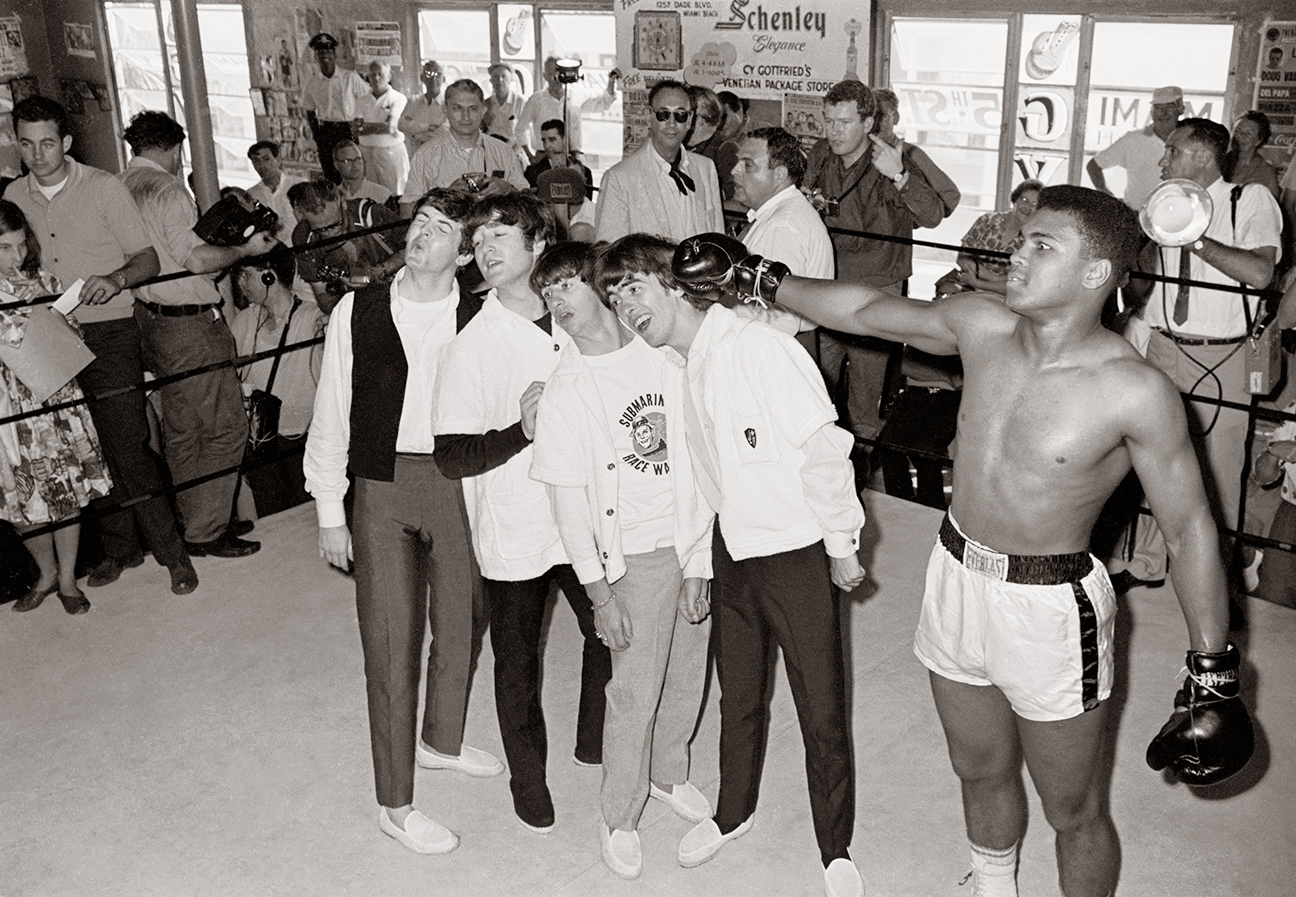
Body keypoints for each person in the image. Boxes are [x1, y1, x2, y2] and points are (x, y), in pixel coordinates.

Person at [674, 183, 1255, 897]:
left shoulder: (1134, 390)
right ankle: (993, 883)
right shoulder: (981, 324)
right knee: (977, 769)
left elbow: (1191, 528)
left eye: (1042, 245)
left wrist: (1213, 669)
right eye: (1022, 239)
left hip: (1050, 607)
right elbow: (864, 310)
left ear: (1096, 273)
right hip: (955, 576)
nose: (1017, 255)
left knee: (1072, 809)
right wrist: (758, 276)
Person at [619, 233, 867, 897]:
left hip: (796, 552)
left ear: (676, 285)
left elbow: (824, 446)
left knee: (821, 709)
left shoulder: (761, 348)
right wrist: (699, 561)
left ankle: (835, 847)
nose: (625, 307)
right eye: (615, 298)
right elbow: (706, 477)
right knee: (740, 696)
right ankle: (734, 812)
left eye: (634, 287)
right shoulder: (683, 367)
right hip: (734, 552)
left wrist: (841, 541)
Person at [303, 187, 504, 856]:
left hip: (458, 481)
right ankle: (395, 803)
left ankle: (441, 740)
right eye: (420, 221)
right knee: (391, 645)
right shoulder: (357, 311)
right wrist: (329, 510)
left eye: (441, 228)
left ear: (466, 253)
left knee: (464, 619)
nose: (421, 234)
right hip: (382, 485)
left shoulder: (483, 315)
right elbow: (331, 411)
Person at [528, 241, 714, 880]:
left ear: (600, 288)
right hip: (630, 558)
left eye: (566, 284)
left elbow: (700, 458)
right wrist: (600, 595)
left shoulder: (664, 357)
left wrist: (700, 558)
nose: (556, 301)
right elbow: (567, 506)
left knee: (687, 670)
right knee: (634, 691)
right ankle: (619, 815)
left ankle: (668, 772)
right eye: (547, 292)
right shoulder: (565, 392)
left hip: (687, 538)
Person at [430, 194, 611, 835]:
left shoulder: (582, 313)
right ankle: (527, 780)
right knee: (516, 661)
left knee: (610, 631)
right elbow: (451, 456)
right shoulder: (472, 343)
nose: (485, 249)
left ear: (539, 243)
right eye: (477, 241)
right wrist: (521, 430)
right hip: (517, 523)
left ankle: (594, 739)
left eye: (499, 235)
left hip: (587, 513)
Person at [4, 97, 196, 595]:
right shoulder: (13, 194)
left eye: (48, 143)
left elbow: (148, 260)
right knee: (85, 450)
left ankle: (173, 555)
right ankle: (120, 549)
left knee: (127, 445)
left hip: (108, 331)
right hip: (47, 339)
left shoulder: (105, 187)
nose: (37, 154)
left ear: (66, 141)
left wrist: (115, 279)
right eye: (26, 143)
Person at [1108, 118, 1282, 596]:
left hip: (1220, 355)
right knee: (1149, 458)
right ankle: (1146, 562)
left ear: (1204, 156)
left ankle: (1216, 579)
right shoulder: (1166, 202)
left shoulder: (1247, 199)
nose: (1162, 160)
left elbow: (1261, 273)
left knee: (1218, 471)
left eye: (1172, 150)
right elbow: (1145, 281)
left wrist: (1193, 237)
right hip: (1163, 346)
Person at [119, 111, 274, 560]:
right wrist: (244, 248)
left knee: (183, 430)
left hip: (150, 319)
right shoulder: (167, 190)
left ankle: (198, 518)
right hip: (188, 323)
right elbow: (197, 260)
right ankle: (207, 529)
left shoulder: (120, 185)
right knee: (226, 427)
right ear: (174, 148)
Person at [802, 80, 945, 444]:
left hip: (875, 289)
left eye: (844, 122)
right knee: (815, 393)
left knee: (864, 405)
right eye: (829, 121)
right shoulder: (821, 155)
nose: (834, 131)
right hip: (828, 284)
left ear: (867, 123)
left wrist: (899, 176)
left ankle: (864, 469)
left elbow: (932, 216)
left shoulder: (889, 160)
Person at [1, 201, 111, 615]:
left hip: (54, 398)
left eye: (20, 246)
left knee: (65, 490)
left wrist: (49, 312)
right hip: (8, 406)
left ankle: (66, 579)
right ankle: (45, 573)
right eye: (4, 248)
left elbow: (74, 337)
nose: (16, 257)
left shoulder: (42, 279)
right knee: (18, 500)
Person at [228, 249, 323, 516]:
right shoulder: (245, 320)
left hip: (303, 439)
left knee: (307, 518)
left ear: (268, 276)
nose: (241, 285)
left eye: (246, 276)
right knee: (271, 518)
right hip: (261, 441)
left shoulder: (312, 317)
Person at [595, 80, 724, 244]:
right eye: (663, 114)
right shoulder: (619, 178)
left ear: (690, 120)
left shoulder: (706, 168)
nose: (671, 124)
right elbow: (608, 251)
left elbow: (718, 242)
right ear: (650, 116)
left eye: (680, 115)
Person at [400, 79, 528, 216]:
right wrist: (445, 198)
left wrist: (508, 190)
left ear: (483, 111)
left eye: (473, 109)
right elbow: (406, 211)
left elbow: (529, 201)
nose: (465, 116)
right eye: (457, 108)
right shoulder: (425, 155)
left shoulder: (503, 152)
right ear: (445, 111)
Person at [288, 179, 406, 314]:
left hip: (401, 294)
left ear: (343, 202)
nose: (330, 234)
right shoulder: (305, 238)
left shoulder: (369, 214)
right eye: (320, 230)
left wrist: (381, 269)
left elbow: (413, 247)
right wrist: (342, 288)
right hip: (359, 310)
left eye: (334, 225)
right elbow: (324, 299)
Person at [1086, 85, 1183, 210]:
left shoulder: (1191, 141)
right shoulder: (1132, 140)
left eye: (1169, 107)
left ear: (1180, 109)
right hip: (1136, 216)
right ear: (1151, 112)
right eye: (1158, 107)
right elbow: (1093, 166)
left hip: (1179, 217)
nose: (1163, 113)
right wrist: (1108, 196)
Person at [873, 88, 961, 219]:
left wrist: (910, 218)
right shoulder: (854, 152)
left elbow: (950, 195)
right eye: (872, 116)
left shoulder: (911, 154)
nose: (876, 123)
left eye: (883, 116)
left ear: (895, 118)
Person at [515, 57, 619, 159]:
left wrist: (611, 82)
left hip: (572, 157)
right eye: (551, 74)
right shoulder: (536, 100)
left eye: (558, 73)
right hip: (544, 157)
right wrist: (529, 156)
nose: (555, 78)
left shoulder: (576, 97)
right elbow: (520, 129)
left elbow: (603, 103)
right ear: (545, 76)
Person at [952, 179, 1043, 295]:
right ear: (1015, 199)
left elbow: (1020, 283)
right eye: (1024, 200)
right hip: (965, 285)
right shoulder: (986, 221)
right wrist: (998, 279)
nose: (1027, 207)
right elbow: (962, 258)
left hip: (1000, 296)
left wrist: (979, 283)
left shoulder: (1035, 240)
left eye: (1034, 204)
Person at [300, 33, 369, 184]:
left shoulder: (350, 77)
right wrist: (317, 135)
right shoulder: (312, 82)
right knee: (331, 176)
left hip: (348, 130)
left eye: (328, 51)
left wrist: (360, 125)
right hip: (326, 132)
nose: (324, 55)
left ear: (334, 55)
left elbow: (368, 100)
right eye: (320, 52)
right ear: (316, 56)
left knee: (353, 173)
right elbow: (309, 110)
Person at [1251, 396, 1296, 608]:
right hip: (1291, 510)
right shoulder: (1294, 409)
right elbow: (1262, 476)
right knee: (1274, 595)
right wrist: (1273, 452)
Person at [354, 61, 410, 196]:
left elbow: (389, 127)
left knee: (395, 194)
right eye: (372, 75)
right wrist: (381, 126)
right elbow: (355, 129)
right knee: (371, 195)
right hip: (366, 154)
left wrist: (365, 128)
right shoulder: (361, 100)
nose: (376, 78)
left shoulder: (398, 98)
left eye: (380, 74)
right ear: (368, 77)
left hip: (391, 153)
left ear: (389, 76)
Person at [246, 141, 303, 245]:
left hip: (300, 247)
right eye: (256, 161)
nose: (262, 165)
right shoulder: (251, 195)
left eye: (266, 159)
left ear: (277, 160)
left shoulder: (298, 185)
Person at [1222, 111, 1281, 200]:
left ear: (1259, 140)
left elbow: (1271, 205)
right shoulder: (1218, 162)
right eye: (1237, 131)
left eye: (1248, 133)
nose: (1241, 136)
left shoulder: (1266, 172)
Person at [397, 60, 447, 160]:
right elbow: (401, 124)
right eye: (429, 74)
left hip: (441, 158)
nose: (433, 79)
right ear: (422, 78)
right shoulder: (413, 102)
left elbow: (444, 133)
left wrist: (416, 134)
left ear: (443, 79)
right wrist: (427, 127)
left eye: (438, 75)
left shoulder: (448, 106)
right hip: (416, 157)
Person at [332, 139, 393, 205]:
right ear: (336, 165)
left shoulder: (383, 195)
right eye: (348, 161)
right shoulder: (333, 196)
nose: (354, 164)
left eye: (357, 159)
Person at [484, 63, 525, 154]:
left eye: (504, 76)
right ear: (491, 81)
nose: (500, 80)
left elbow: (524, 134)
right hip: (491, 152)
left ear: (511, 79)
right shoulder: (486, 104)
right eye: (495, 77)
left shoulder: (520, 102)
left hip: (514, 152)